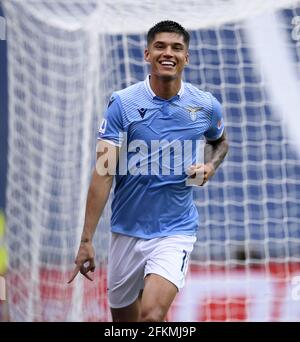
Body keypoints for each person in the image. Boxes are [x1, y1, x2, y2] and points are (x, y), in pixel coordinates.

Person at [68, 20, 229, 322]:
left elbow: (219, 142)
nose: (168, 53)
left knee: (152, 316)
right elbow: (104, 173)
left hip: (175, 230)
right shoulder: (123, 104)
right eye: (160, 46)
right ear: (147, 54)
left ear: (186, 57)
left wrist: (209, 166)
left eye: (177, 48)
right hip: (126, 231)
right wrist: (86, 240)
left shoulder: (206, 105)